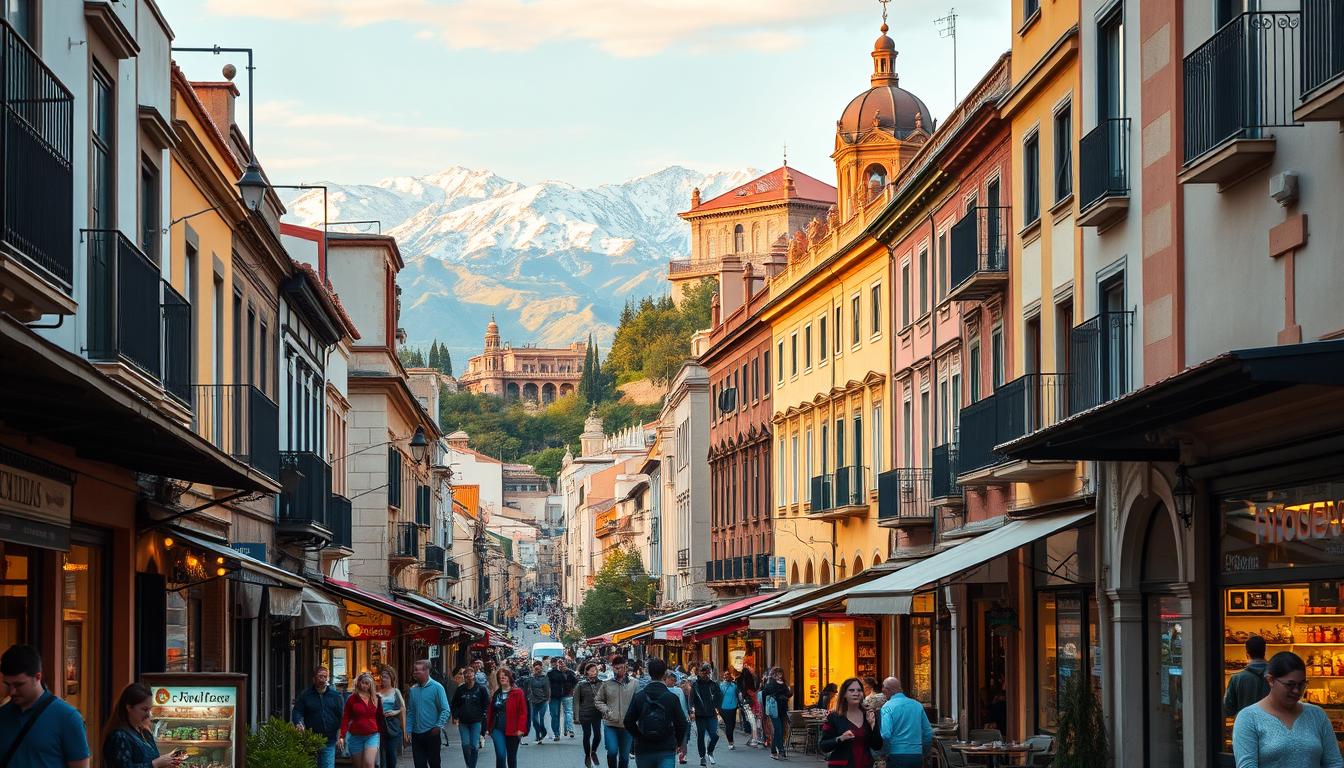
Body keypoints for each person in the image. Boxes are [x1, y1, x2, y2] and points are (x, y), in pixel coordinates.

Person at [1233, 651, 1344, 768]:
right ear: (1271, 680)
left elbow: (1334, 762)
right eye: (1290, 685)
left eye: (1301, 684)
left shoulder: (1317, 715)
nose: (1297, 691)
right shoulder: (1249, 718)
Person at [624, 658, 689, 768]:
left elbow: (628, 721)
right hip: (666, 746)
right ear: (664, 674)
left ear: (649, 673)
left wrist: (638, 736)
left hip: (644, 748)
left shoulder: (639, 697)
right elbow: (682, 723)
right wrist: (678, 742)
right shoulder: (672, 698)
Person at [101, 683, 184, 768]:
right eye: (144, 709)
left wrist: (166, 762)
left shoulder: (144, 732)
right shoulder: (119, 736)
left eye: (150, 709)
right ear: (129, 707)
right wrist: (155, 764)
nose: (148, 714)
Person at [818, 678, 883, 768]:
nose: (856, 693)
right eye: (851, 690)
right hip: (842, 765)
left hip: (865, 764)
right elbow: (823, 746)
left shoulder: (869, 715)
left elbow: (877, 746)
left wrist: (873, 726)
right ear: (844, 694)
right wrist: (840, 738)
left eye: (859, 690)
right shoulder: (834, 717)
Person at [293, 665, 345, 768]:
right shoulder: (306, 695)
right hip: (311, 738)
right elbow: (297, 711)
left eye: (325, 677)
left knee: (327, 765)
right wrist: (298, 722)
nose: (323, 679)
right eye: (320, 676)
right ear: (314, 678)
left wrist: (341, 736)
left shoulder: (335, 696)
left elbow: (341, 717)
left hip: (329, 739)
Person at [405, 659, 451, 768]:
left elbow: (445, 709)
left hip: (432, 732)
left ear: (427, 671)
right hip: (416, 734)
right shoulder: (413, 690)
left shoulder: (437, 687)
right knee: (419, 764)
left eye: (418, 670)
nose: (415, 672)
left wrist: (438, 726)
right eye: (414, 670)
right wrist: (408, 729)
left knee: (434, 764)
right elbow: (411, 711)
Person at [595, 655, 639, 768]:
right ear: (612, 668)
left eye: (620, 668)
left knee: (624, 757)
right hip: (611, 723)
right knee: (612, 751)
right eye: (615, 668)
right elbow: (598, 700)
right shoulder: (607, 683)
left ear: (625, 667)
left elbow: (639, 701)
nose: (618, 670)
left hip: (627, 725)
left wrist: (636, 717)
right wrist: (606, 710)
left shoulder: (634, 683)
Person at [877, 677, 931, 768]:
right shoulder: (917, 705)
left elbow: (886, 734)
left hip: (896, 755)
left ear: (888, 689)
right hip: (916, 755)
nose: (882, 690)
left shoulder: (887, 707)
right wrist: (924, 752)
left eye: (883, 687)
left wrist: (885, 753)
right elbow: (928, 733)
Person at [338, 673, 383, 768]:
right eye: (363, 683)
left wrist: (382, 732)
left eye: (367, 683)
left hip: (372, 735)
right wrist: (342, 736)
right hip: (355, 736)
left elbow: (380, 717)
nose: (365, 686)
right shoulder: (352, 699)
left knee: (369, 764)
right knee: (358, 765)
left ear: (370, 685)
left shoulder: (376, 698)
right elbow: (346, 718)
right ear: (358, 683)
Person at [486, 668, 529, 768]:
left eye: (504, 676)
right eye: (500, 677)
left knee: (511, 757)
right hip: (497, 728)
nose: (502, 678)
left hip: (513, 729)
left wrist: (521, 729)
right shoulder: (497, 693)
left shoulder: (518, 692)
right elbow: (491, 711)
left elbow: (523, 712)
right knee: (500, 755)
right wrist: (488, 728)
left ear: (509, 677)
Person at [452, 662, 491, 768]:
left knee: (474, 746)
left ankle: (472, 766)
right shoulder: (460, 690)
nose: (468, 677)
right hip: (463, 722)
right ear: (464, 677)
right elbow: (454, 704)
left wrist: (483, 716)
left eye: (471, 674)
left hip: (476, 721)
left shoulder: (480, 689)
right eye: (466, 674)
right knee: (465, 745)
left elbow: (486, 703)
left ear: (474, 676)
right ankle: (469, 765)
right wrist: (455, 716)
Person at [1226, 636, 1273, 719]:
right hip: (1271, 726)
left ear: (1247, 654)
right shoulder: (1277, 677)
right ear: (1264, 652)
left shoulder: (1236, 678)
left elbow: (1228, 709)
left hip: (1245, 726)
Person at [689, 663, 723, 766]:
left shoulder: (714, 684)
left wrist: (718, 709)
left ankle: (710, 751)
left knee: (714, 736)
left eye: (708, 673)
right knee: (701, 736)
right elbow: (691, 699)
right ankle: (702, 757)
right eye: (704, 672)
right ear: (700, 672)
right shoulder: (695, 685)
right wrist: (692, 711)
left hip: (712, 714)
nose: (706, 675)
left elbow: (719, 697)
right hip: (700, 715)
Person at [576, 662, 605, 768]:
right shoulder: (581, 684)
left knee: (598, 735)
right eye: (591, 670)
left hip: (597, 713)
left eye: (595, 670)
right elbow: (576, 701)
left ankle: (593, 751)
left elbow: (605, 698)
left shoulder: (601, 683)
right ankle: (587, 755)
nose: (593, 672)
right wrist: (576, 717)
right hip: (585, 713)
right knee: (587, 735)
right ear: (587, 672)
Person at [377, 665, 406, 768]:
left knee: (391, 753)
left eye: (386, 677)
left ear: (391, 678)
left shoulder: (395, 691)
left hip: (392, 725)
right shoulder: (377, 692)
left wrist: (395, 712)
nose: (383, 679)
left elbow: (403, 708)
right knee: (381, 754)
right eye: (382, 676)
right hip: (380, 725)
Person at [761, 667, 792, 760]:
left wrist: (789, 693)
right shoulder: (770, 684)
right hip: (774, 710)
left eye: (780, 673)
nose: (779, 675)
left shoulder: (784, 683)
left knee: (781, 730)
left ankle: (774, 750)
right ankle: (781, 749)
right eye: (777, 673)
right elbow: (764, 694)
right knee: (778, 729)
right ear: (773, 674)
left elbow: (787, 694)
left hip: (783, 709)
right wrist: (765, 710)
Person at [548, 657, 579, 740]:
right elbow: (548, 685)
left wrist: (566, 673)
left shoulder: (569, 672)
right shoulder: (551, 673)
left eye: (562, 663)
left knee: (568, 712)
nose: (560, 665)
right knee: (557, 714)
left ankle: (569, 729)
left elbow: (575, 681)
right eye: (559, 663)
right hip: (555, 696)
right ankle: (559, 732)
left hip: (566, 694)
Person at [521, 660, 552, 743]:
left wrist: (547, 698)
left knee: (541, 719)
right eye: (535, 669)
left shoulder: (544, 677)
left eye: (538, 669)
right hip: (533, 701)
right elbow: (526, 687)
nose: (537, 670)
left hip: (543, 700)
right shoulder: (530, 678)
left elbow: (547, 689)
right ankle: (538, 733)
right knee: (534, 720)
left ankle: (543, 732)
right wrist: (528, 697)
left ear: (541, 668)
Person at [737, 666, 760, 748]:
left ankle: (754, 740)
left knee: (751, 720)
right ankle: (753, 738)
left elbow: (740, 692)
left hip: (746, 702)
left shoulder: (740, 680)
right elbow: (756, 688)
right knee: (753, 720)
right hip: (753, 701)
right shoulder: (753, 680)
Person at [717, 669, 740, 751]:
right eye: (725, 675)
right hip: (723, 708)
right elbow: (717, 696)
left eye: (728, 674)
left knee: (732, 724)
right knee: (729, 725)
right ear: (723, 676)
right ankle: (730, 742)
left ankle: (730, 739)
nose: (726, 676)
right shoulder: (721, 685)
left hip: (733, 708)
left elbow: (738, 695)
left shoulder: (734, 685)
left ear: (730, 676)